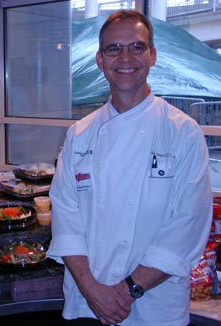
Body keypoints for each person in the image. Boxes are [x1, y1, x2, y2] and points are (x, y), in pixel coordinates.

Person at [46, 10, 212, 326]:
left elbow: (188, 223)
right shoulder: (80, 134)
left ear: (152, 55)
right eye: (114, 48)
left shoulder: (181, 132)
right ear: (100, 60)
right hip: (89, 303)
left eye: (137, 47)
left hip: (155, 305)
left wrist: (128, 289)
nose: (125, 57)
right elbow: (65, 217)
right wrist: (92, 288)